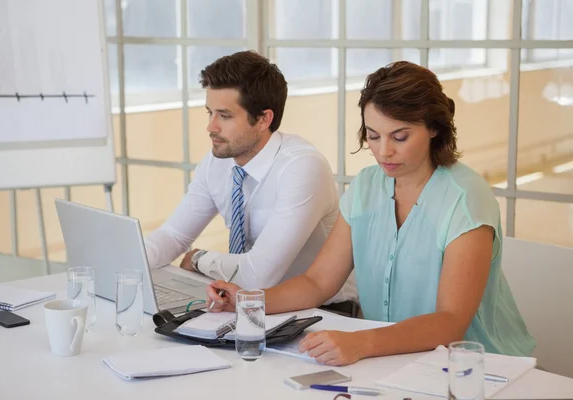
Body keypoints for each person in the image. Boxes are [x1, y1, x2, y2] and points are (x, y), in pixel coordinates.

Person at [206, 61, 536, 366]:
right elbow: (318, 281)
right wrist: (248, 300)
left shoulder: (466, 199)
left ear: (434, 128)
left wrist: (360, 343)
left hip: (480, 368)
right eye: (373, 136)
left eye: (400, 136)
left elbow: (450, 321)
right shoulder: (366, 186)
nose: (383, 151)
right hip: (395, 359)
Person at [144, 50, 357, 305]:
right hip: (246, 304)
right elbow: (174, 236)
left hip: (322, 311)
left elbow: (258, 276)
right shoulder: (218, 162)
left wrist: (200, 259)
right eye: (209, 113)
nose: (211, 127)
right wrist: (126, 260)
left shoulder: (302, 168)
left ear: (264, 119)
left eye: (225, 116)